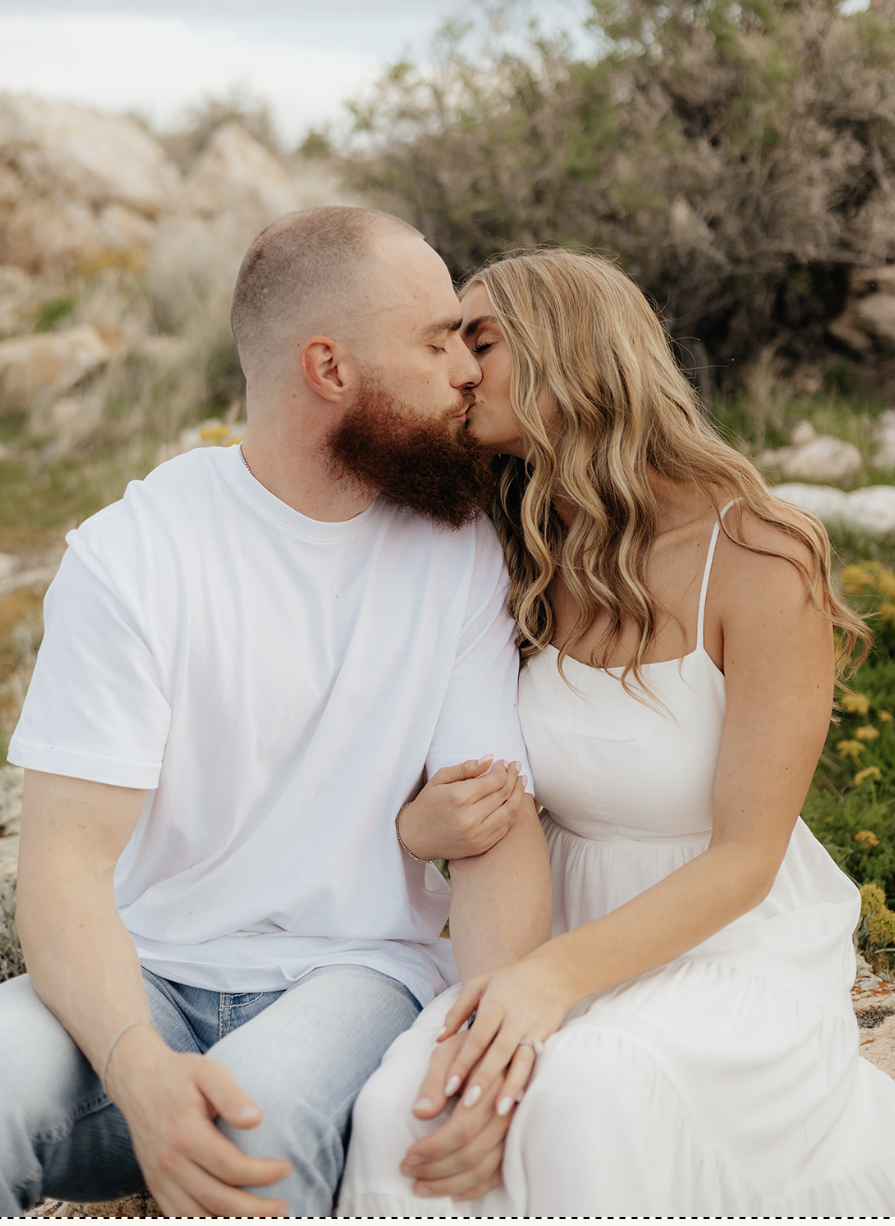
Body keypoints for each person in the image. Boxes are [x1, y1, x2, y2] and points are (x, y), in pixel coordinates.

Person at [338, 247, 895, 1216]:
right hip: (545, 920)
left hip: (734, 941)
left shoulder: (760, 553)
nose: (458, 369)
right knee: (404, 1103)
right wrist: (424, 834)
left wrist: (545, 988)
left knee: (583, 1091)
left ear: (569, 349)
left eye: (480, 340)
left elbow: (748, 857)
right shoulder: (512, 548)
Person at [0, 207, 552, 1218]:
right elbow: (64, 865)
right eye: (434, 341)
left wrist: (493, 1050)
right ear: (330, 368)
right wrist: (139, 1069)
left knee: (254, 1119)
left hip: (357, 971)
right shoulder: (135, 554)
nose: (466, 369)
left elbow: (490, 826)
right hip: (146, 971)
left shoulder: (459, 550)